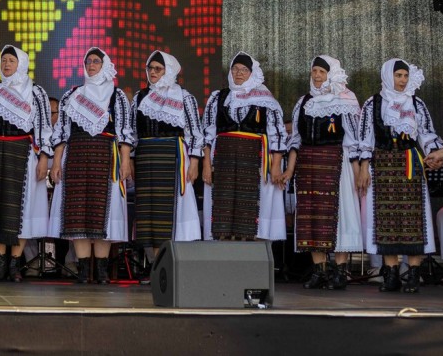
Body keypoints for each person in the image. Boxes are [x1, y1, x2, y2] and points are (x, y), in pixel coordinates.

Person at [356, 59, 443, 293]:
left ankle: (414, 274)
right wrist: (364, 167)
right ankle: (391, 274)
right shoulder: (373, 103)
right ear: (389, 76)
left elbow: (426, 134)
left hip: (410, 163)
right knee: (386, 218)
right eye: (398, 75)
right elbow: (365, 138)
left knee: (412, 218)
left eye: (406, 76)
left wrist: (435, 154)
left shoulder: (416, 103)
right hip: (383, 164)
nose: (402, 80)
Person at [49, 48, 135, 284]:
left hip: (105, 156)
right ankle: (84, 269)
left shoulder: (117, 96)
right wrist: (56, 161)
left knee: (102, 212)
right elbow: (62, 132)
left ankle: (102, 270)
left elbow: (124, 132)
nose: (91, 65)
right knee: (78, 212)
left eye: (96, 61)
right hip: (76, 156)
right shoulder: (72, 95)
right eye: (88, 61)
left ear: (105, 65)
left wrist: (125, 161)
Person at [0, 45, 54, 282]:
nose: (6, 64)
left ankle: (15, 263)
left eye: (11, 60)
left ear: (21, 64)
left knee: (21, 207)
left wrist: (44, 158)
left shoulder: (35, 93)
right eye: (4, 60)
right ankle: (0, 263)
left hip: (22, 154)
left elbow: (44, 127)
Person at [285, 55, 362, 291]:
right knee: (312, 217)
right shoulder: (304, 102)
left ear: (332, 74)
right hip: (308, 164)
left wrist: (358, 172)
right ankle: (319, 271)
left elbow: (353, 140)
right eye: (314, 71)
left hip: (336, 162)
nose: (317, 76)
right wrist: (290, 169)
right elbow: (296, 139)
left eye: (322, 71)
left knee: (339, 215)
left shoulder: (345, 100)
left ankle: (340, 271)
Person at [201, 51, 286, 246]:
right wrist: (206, 165)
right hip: (223, 161)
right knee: (223, 207)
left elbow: (277, 134)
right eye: (235, 69)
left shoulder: (265, 99)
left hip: (255, 161)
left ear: (252, 73)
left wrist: (275, 166)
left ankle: (254, 255)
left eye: (244, 70)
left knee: (254, 209)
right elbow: (207, 134)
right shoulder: (218, 97)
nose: (238, 73)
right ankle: (224, 254)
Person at [133, 51, 203, 271]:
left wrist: (194, 163)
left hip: (172, 156)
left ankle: (172, 266)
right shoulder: (140, 97)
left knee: (171, 209)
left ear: (169, 70)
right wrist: (131, 161)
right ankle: (155, 266)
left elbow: (195, 133)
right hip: (146, 158)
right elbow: (133, 133)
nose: (153, 72)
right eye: (150, 68)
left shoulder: (184, 97)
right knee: (150, 211)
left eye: (158, 68)